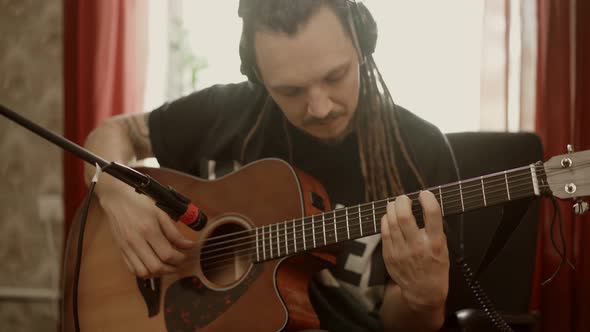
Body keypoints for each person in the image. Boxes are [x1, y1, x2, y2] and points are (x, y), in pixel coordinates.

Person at [84, 1, 459, 331]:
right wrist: (115, 190)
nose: (321, 107)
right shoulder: (226, 113)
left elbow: (405, 326)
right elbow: (119, 132)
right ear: (258, 75)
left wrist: (422, 301)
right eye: (290, 91)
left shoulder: (419, 152)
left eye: (335, 76)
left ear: (363, 45)